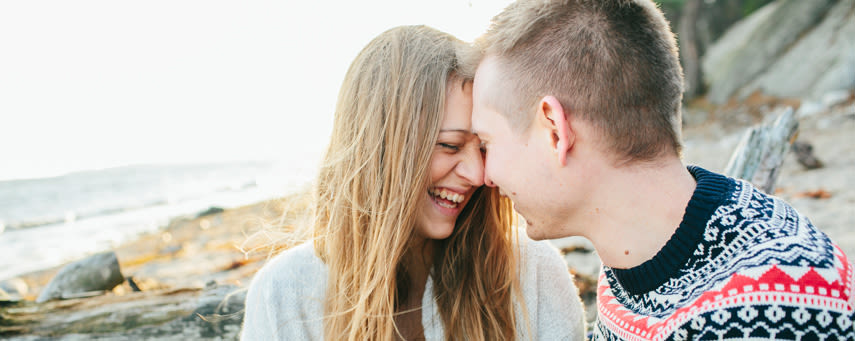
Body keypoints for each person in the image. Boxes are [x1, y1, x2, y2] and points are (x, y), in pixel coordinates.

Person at [469, 0, 855, 339]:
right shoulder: (634, 255)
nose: (484, 175)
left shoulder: (767, 313)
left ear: (555, 130)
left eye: (486, 144)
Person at [240, 25, 585, 340]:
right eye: (450, 145)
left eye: (483, 146)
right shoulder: (283, 295)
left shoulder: (534, 273)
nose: (478, 175)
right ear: (381, 147)